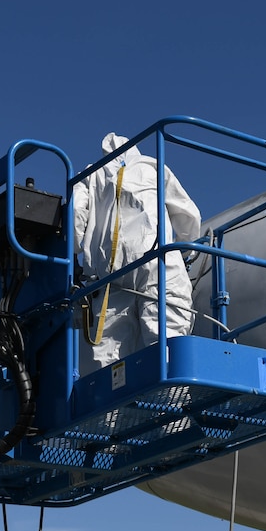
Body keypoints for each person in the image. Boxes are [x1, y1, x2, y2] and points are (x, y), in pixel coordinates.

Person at [73, 131, 203, 368]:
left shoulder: (90, 175)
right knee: (166, 339)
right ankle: (170, 398)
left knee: (109, 354)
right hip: (157, 263)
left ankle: (112, 403)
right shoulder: (152, 166)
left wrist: (72, 250)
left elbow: (75, 220)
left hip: (108, 276)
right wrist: (187, 252)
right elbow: (187, 215)